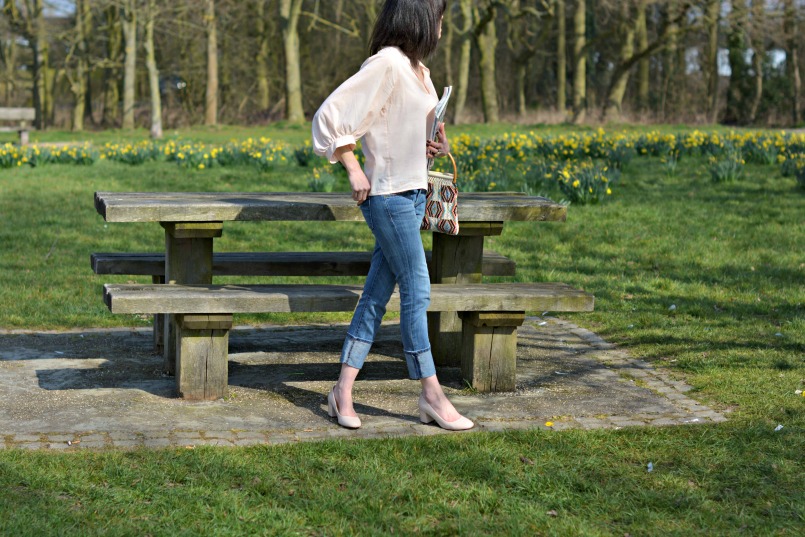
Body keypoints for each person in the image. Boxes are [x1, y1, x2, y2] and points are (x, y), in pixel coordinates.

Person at [311, 0, 473, 431]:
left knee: (376, 296)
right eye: (438, 19)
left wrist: (438, 143)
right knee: (418, 291)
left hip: (416, 194)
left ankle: (341, 390)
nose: (442, 28)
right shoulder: (387, 64)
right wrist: (352, 166)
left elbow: (406, 131)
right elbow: (329, 115)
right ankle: (432, 395)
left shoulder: (420, 72)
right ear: (418, 18)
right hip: (388, 197)